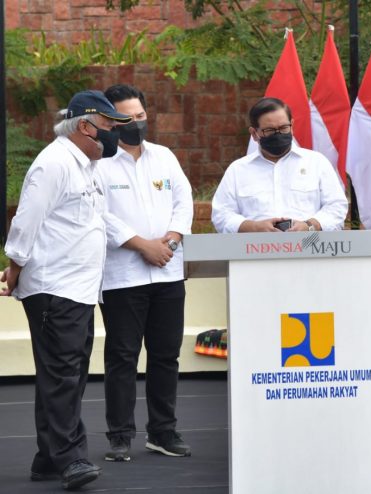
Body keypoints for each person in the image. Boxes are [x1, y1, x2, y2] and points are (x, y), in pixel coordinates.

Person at [0, 90, 131, 490]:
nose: (114, 137)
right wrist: (14, 269)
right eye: (109, 128)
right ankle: (72, 458)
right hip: (55, 287)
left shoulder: (87, 165)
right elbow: (26, 221)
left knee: (65, 375)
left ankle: (47, 459)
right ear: (85, 126)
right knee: (63, 375)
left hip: (79, 288)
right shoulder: (54, 164)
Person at [96, 84, 194, 462]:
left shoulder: (165, 157)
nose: (136, 123)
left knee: (166, 355)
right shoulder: (99, 163)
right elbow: (99, 215)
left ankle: (163, 432)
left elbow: (183, 201)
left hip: (168, 273)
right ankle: (120, 436)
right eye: (127, 118)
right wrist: (141, 244)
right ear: (110, 121)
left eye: (141, 116)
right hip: (123, 276)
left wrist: (170, 239)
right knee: (122, 357)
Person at [212, 97, 347, 233]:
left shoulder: (316, 162)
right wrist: (254, 227)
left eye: (283, 128)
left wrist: (309, 225)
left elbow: (337, 207)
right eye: (269, 130)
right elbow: (221, 215)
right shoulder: (238, 170)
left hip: (309, 248)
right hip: (254, 250)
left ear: (292, 126)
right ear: (254, 133)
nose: (278, 134)